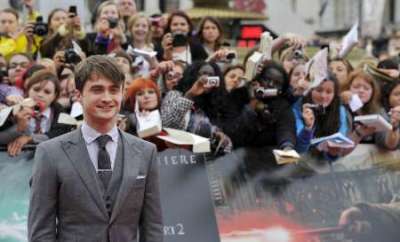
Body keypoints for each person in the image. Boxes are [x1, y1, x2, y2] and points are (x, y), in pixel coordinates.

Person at [28, 55, 163, 242]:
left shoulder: (146, 152)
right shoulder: (50, 153)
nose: (107, 98)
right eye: (97, 90)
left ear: (122, 94)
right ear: (78, 95)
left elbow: (153, 226)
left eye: (114, 90)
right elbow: (41, 230)